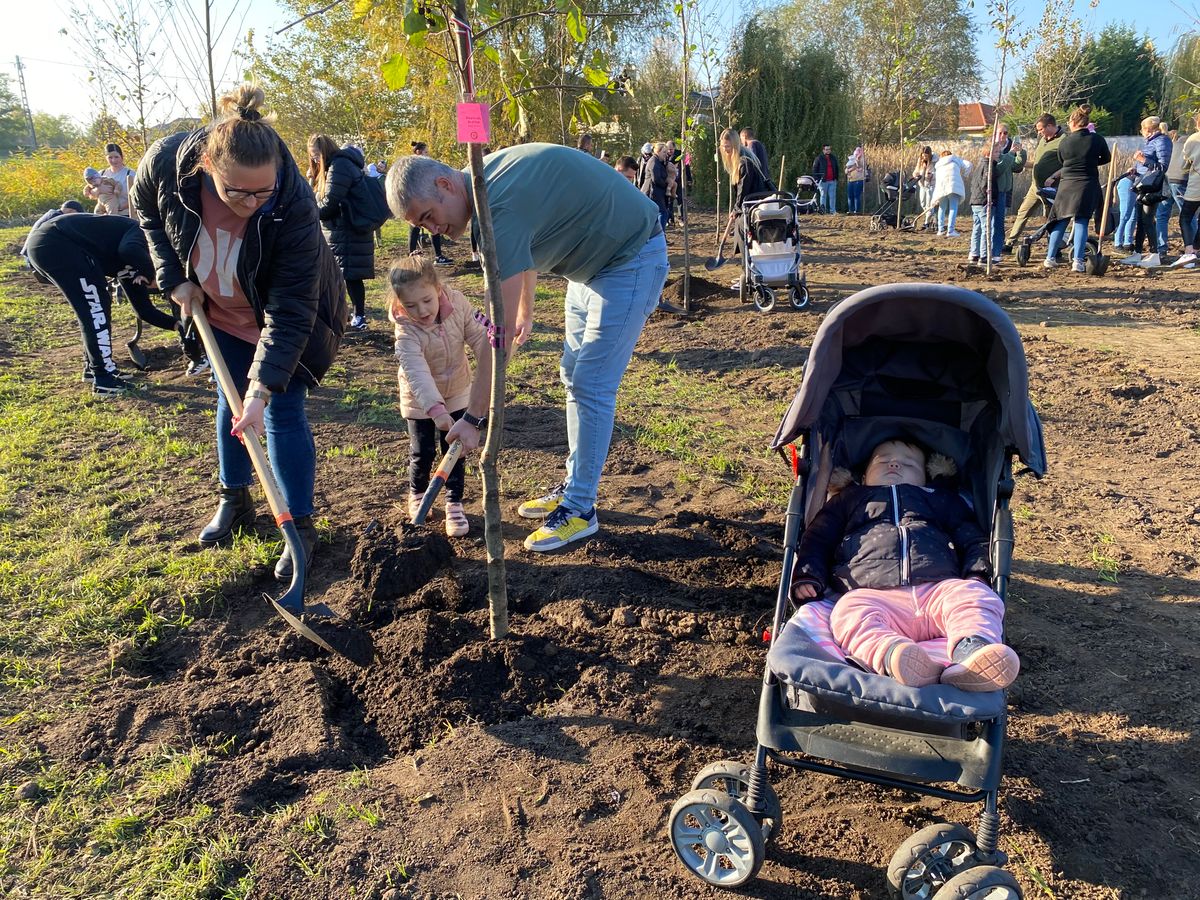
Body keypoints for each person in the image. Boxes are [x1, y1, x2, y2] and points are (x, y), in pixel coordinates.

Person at [385, 142, 669, 552]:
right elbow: (528, 248)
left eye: (429, 215)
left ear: (446, 184)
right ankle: (575, 488)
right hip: (589, 268)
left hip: (630, 257)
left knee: (591, 383)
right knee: (574, 375)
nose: (431, 229)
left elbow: (494, 338)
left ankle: (579, 510)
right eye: (421, 224)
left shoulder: (494, 210)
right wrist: (525, 312)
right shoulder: (482, 183)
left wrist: (474, 419)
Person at [132, 83, 347, 578]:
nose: (251, 202)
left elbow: (293, 305)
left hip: (283, 318)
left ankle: (300, 526)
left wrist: (262, 385)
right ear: (207, 167)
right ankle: (235, 499)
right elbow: (146, 215)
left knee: (280, 409)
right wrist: (173, 276)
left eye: (262, 191)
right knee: (228, 402)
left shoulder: (291, 204)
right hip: (218, 314)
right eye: (237, 192)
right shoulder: (167, 164)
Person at [790, 439, 1019, 691]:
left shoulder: (941, 499)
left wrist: (977, 574)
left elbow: (971, 536)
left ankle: (972, 650)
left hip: (938, 588)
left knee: (975, 597)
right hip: (872, 594)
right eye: (883, 460)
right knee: (847, 613)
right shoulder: (848, 500)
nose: (894, 463)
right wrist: (808, 574)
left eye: (908, 463)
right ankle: (893, 654)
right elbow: (818, 538)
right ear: (864, 475)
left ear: (926, 477)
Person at [388, 256, 492, 537]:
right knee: (422, 452)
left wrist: (496, 357)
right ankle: (418, 494)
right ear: (399, 303)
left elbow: (482, 338)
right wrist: (436, 410)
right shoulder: (405, 329)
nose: (421, 310)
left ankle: (453, 502)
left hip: (459, 391)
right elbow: (416, 372)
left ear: (438, 289)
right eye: (410, 305)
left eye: (426, 300)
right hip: (420, 401)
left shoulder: (458, 304)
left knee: (455, 451)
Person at [23, 213, 178, 395]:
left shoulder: (135, 265)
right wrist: (151, 274)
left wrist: (178, 325)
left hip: (56, 246)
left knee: (99, 304)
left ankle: (94, 368)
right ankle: (104, 379)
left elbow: (144, 310)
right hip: (56, 242)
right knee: (94, 308)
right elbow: (129, 250)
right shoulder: (141, 234)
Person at [309, 135, 377, 330]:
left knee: (349, 275)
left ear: (323, 153)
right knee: (344, 274)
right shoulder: (341, 165)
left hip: (346, 229)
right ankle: (352, 314)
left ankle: (359, 315)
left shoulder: (339, 166)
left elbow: (329, 202)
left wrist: (313, 209)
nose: (314, 161)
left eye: (315, 157)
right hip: (343, 228)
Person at [1044, 104, 1110, 273]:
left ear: (1073, 122)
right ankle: (1078, 261)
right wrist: (1092, 161)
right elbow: (1106, 158)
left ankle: (1050, 257)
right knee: (1081, 221)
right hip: (1087, 184)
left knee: (1060, 220)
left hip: (1067, 184)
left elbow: (1062, 160)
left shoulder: (1065, 141)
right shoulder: (1097, 139)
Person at [1120, 116, 1173, 268]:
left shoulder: (1163, 141)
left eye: (1142, 129)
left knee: (1148, 219)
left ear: (1148, 129)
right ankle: (1137, 252)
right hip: (1142, 184)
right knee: (1140, 219)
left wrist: (1143, 160)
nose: (1141, 132)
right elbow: (1148, 166)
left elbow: (1162, 167)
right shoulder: (1150, 141)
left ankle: (1154, 254)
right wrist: (1136, 170)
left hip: (1152, 187)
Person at [1005, 114, 1064, 249]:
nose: (1039, 133)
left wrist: (1054, 177)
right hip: (1035, 186)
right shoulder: (1043, 140)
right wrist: (1021, 163)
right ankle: (1010, 243)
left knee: (1051, 219)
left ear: (1050, 126)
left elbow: (1067, 165)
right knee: (1023, 212)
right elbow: (1037, 162)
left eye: (1040, 129)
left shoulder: (1063, 141)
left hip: (1051, 189)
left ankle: (1055, 248)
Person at [718, 128, 772, 271]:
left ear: (735, 145)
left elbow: (744, 188)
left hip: (755, 203)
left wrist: (736, 209)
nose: (725, 150)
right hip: (751, 203)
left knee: (743, 234)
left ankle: (748, 271)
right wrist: (736, 208)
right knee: (744, 235)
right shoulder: (740, 159)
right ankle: (749, 271)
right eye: (723, 147)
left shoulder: (744, 161)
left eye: (728, 147)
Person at [407, 142, 452, 267]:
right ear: (418, 152)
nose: (428, 154)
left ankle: (438, 256)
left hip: (428, 200)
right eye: (426, 152)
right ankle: (412, 255)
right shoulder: (412, 166)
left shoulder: (427, 166)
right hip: (416, 201)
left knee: (434, 226)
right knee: (415, 228)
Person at [991, 125, 1026, 261]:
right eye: (1000, 133)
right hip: (993, 191)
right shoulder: (993, 149)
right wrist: (1011, 154)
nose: (1003, 136)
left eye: (1005, 133)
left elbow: (1016, 166)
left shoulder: (1009, 147)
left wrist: (1020, 152)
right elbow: (998, 168)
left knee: (1000, 222)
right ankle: (986, 252)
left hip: (1004, 191)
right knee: (990, 223)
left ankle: (996, 252)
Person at [1170, 112, 1200, 269]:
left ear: (1197, 124)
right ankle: (1196, 249)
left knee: (1186, 217)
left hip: (1196, 186)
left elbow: (1186, 161)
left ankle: (1189, 251)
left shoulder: (1194, 139)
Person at [966, 141, 1001, 265]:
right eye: (996, 151)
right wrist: (989, 198)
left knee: (977, 228)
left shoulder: (979, 165)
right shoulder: (988, 166)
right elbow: (985, 184)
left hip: (975, 201)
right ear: (988, 153)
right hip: (983, 202)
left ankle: (974, 253)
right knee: (987, 228)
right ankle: (984, 256)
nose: (999, 153)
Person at [931, 149, 971, 237]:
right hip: (954, 186)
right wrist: (965, 175)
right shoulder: (955, 159)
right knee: (953, 208)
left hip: (942, 188)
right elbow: (968, 164)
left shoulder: (938, 165)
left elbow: (937, 180)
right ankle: (950, 230)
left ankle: (940, 230)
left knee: (942, 208)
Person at [98, 143, 135, 217]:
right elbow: (91, 193)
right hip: (105, 214)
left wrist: (120, 207)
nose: (114, 160)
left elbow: (137, 196)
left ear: (122, 157)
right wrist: (98, 190)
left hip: (126, 214)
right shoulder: (101, 174)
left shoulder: (131, 174)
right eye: (110, 157)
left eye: (116, 157)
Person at [642, 141, 672, 230]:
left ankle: (659, 236)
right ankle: (660, 235)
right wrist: (667, 185)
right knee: (663, 213)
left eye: (666, 153)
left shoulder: (658, 161)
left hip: (656, 192)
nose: (665, 154)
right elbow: (656, 179)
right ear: (657, 152)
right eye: (664, 152)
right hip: (652, 192)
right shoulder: (654, 162)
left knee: (657, 215)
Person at [913, 146, 937, 229]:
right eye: (923, 156)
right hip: (922, 185)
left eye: (926, 156)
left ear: (929, 155)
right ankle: (933, 217)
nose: (924, 157)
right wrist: (916, 174)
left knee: (929, 205)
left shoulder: (935, 161)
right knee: (923, 203)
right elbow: (916, 170)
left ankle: (927, 223)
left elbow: (937, 172)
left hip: (931, 185)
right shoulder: (920, 161)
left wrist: (932, 175)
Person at [1114, 170, 1138, 253]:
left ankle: (1127, 243)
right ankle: (1117, 243)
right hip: (1128, 183)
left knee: (1133, 216)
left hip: (1138, 185)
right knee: (1125, 215)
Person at [811, 144, 839, 213]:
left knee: (832, 196)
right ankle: (823, 210)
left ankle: (833, 211)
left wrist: (836, 178)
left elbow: (836, 168)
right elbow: (814, 169)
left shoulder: (833, 158)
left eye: (829, 149)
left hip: (832, 180)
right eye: (826, 149)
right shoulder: (819, 158)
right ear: (823, 150)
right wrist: (816, 179)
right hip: (822, 180)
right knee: (823, 195)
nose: (828, 151)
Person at [844, 146, 868, 214]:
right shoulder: (851, 160)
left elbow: (859, 167)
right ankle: (851, 210)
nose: (857, 152)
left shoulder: (863, 160)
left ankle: (857, 211)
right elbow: (847, 169)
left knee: (856, 195)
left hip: (859, 179)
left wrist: (857, 160)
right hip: (850, 180)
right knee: (850, 195)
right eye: (857, 151)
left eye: (859, 151)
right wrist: (848, 170)